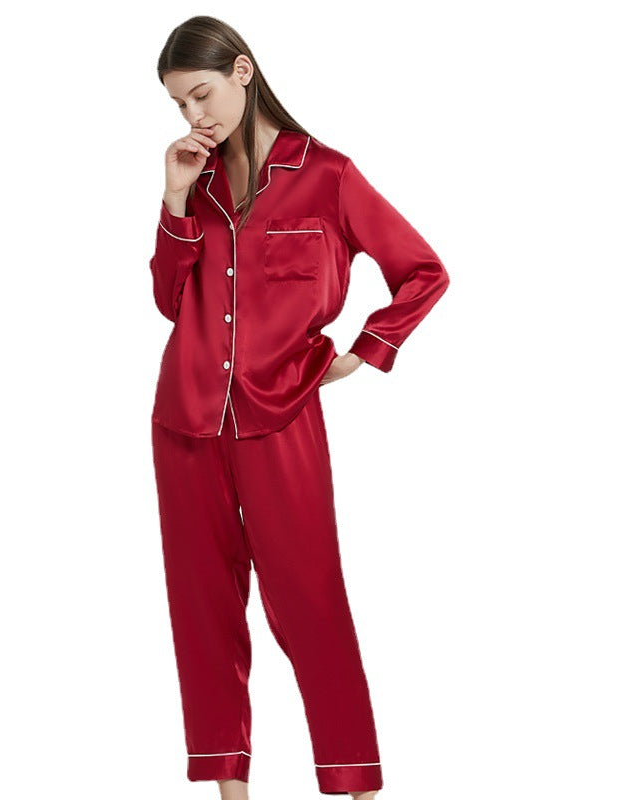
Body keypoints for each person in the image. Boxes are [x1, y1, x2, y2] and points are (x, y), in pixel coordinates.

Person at [148, 15, 450, 800]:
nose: (194, 116)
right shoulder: (197, 180)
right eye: (180, 105)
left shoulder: (330, 176)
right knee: (202, 611)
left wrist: (366, 351)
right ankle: (230, 791)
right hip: (185, 420)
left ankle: (356, 785)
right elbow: (169, 301)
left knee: (310, 601)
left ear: (243, 72)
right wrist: (174, 200)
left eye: (202, 94)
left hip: (281, 417)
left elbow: (423, 271)